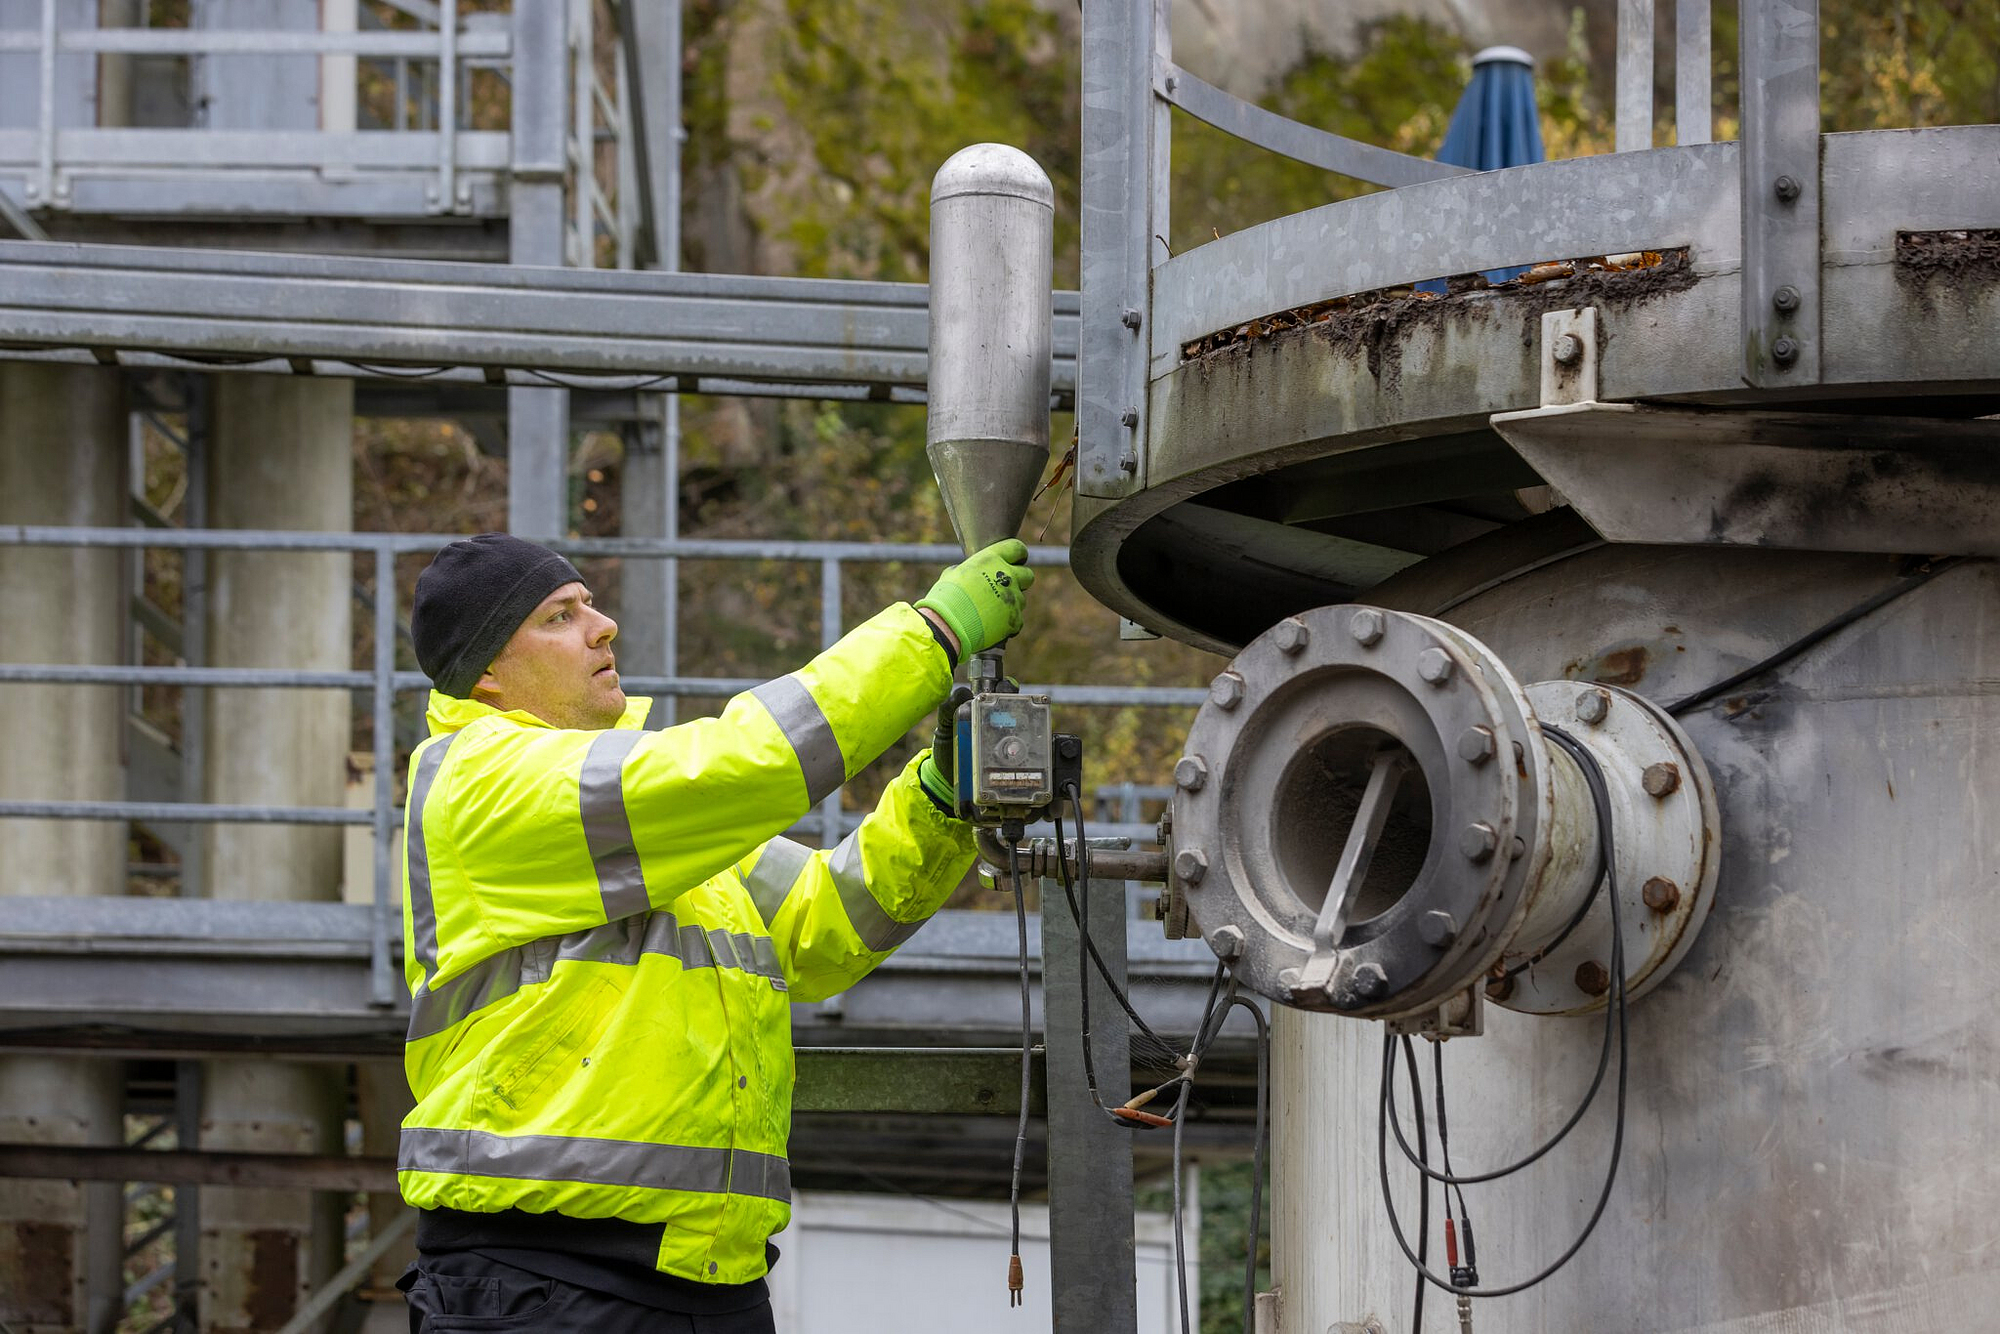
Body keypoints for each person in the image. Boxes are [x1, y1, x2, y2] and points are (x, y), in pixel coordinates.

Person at [393, 531, 1034, 1333]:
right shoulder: (480, 781)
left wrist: (936, 798)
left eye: (590, 603)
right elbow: (745, 761)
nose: (602, 627)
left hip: (708, 1285)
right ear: (488, 673)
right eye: (559, 616)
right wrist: (931, 636)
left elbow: (823, 921)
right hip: (542, 1281)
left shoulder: (641, 818)